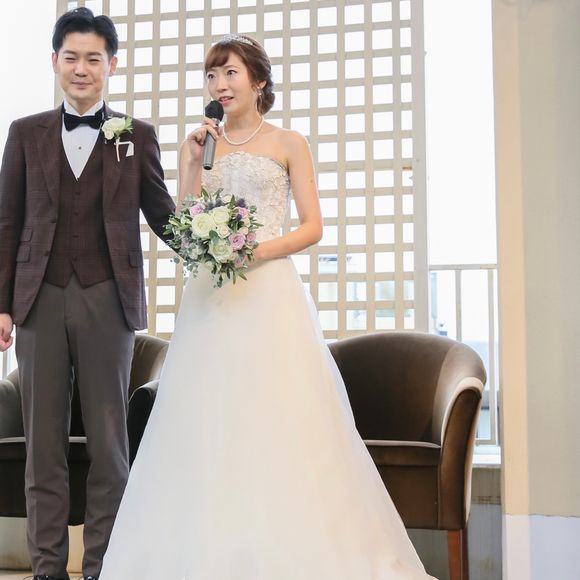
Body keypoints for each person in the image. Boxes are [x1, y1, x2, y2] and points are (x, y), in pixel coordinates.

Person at [99, 34, 435, 579]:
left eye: (229, 73)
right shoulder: (201, 144)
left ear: (258, 81)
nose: (219, 84)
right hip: (210, 296)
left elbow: (313, 226)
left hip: (269, 293)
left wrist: (254, 250)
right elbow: (185, 224)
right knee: (204, 418)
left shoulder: (288, 142)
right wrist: (191, 164)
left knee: (276, 414)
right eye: (211, 75)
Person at [0, 7, 175, 580]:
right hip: (38, 298)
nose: (81, 69)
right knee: (43, 447)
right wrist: (2, 304)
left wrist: (215, 243)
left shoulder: (136, 135)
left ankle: (102, 568)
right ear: (55, 62)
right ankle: (48, 570)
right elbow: (7, 221)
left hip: (109, 299)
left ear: (111, 65)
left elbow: (162, 214)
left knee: (109, 446)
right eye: (71, 57)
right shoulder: (23, 133)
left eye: (93, 59)